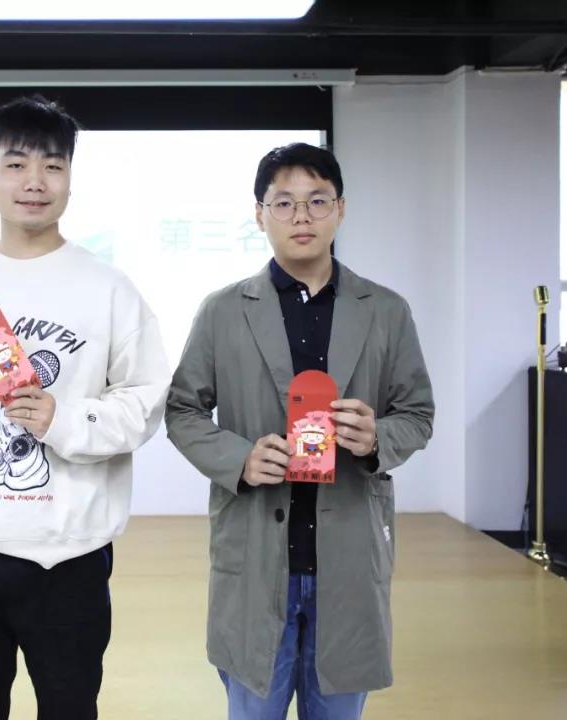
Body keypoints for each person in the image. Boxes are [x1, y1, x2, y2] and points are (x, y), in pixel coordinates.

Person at [0, 95, 171, 720]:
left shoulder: (109, 288)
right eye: (16, 164)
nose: (34, 182)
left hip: (69, 556)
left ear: (71, 178)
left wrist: (62, 420)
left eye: (53, 165)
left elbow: (145, 403)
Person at [165, 142, 435, 719]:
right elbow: (183, 410)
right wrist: (239, 458)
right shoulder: (223, 311)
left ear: (341, 209)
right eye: (283, 203)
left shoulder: (386, 311)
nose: (302, 216)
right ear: (259, 214)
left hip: (349, 552)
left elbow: (417, 414)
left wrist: (376, 439)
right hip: (256, 554)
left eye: (317, 200)